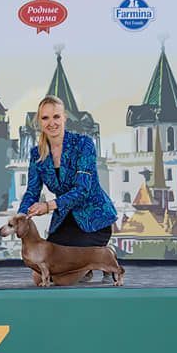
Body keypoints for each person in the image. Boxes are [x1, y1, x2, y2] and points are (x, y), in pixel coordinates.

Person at [18, 95, 117, 276]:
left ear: (64, 118)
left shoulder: (84, 144)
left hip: (93, 219)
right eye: (45, 118)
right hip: (64, 220)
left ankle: (102, 256)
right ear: (39, 122)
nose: (51, 123)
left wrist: (48, 206)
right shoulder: (36, 154)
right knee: (40, 277)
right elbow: (32, 191)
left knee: (62, 279)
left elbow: (82, 190)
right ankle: (87, 266)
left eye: (56, 116)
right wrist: (21, 215)